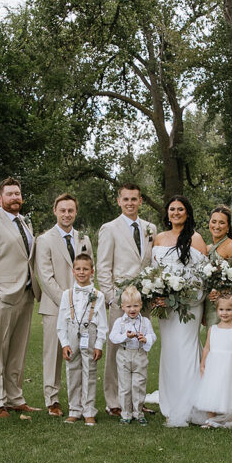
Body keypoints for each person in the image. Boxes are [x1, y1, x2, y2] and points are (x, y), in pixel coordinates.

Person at [0, 177, 42, 417]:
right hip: (2, 297)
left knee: (17, 351)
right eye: (10, 194)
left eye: (17, 193)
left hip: (25, 293)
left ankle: (15, 397)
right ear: (0, 198)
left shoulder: (24, 222)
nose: (15, 198)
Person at [96, 183, 156, 416]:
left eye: (135, 199)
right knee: (116, 351)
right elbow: (103, 267)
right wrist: (112, 299)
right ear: (119, 201)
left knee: (140, 350)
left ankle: (136, 402)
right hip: (120, 301)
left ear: (141, 201)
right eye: (126, 199)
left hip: (143, 301)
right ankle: (114, 401)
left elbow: (150, 263)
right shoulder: (109, 228)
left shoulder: (150, 228)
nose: (130, 203)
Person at [153, 195, 209, 427]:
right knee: (169, 352)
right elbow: (153, 272)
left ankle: (190, 403)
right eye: (172, 209)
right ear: (167, 213)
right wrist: (157, 294)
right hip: (166, 310)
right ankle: (170, 404)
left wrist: (179, 298)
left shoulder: (195, 239)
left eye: (180, 209)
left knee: (186, 352)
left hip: (188, 308)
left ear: (188, 213)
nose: (176, 213)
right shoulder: (158, 238)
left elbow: (202, 279)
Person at [35, 193, 93, 417]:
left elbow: (89, 271)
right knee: (53, 354)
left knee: (80, 352)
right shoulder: (45, 240)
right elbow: (45, 276)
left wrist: (85, 301)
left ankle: (79, 398)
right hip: (54, 306)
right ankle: (52, 399)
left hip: (82, 309)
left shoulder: (84, 239)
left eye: (71, 210)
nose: (67, 214)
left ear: (75, 212)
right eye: (63, 210)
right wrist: (67, 304)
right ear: (55, 211)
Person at [56, 253, 107, 425]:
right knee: (72, 372)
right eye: (78, 269)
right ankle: (74, 409)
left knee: (90, 372)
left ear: (92, 272)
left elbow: (103, 325)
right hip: (71, 336)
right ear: (73, 271)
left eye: (85, 269)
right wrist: (64, 344)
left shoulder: (98, 295)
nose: (81, 272)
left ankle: (89, 411)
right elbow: (61, 323)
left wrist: (99, 344)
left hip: (89, 335)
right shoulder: (66, 294)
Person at [194, 292, 232, 428]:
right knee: (211, 390)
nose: (224, 313)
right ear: (216, 310)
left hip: (230, 366)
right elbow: (207, 348)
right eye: (221, 309)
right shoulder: (212, 329)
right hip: (214, 366)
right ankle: (210, 419)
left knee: (229, 391)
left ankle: (229, 418)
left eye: (228, 309)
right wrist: (203, 365)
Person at [107, 286, 156, 426]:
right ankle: (126, 413)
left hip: (140, 355)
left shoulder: (145, 322)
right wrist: (125, 337)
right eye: (128, 306)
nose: (132, 309)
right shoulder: (119, 322)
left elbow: (153, 336)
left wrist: (145, 339)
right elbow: (113, 337)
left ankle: (138, 412)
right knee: (125, 386)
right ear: (122, 306)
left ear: (140, 305)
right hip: (124, 355)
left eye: (135, 306)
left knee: (138, 384)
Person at [203, 205, 232, 330]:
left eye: (222, 223)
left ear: (228, 227)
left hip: (227, 305)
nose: (217, 226)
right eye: (214, 221)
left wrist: (225, 293)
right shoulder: (208, 247)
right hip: (211, 303)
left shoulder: (231, 247)